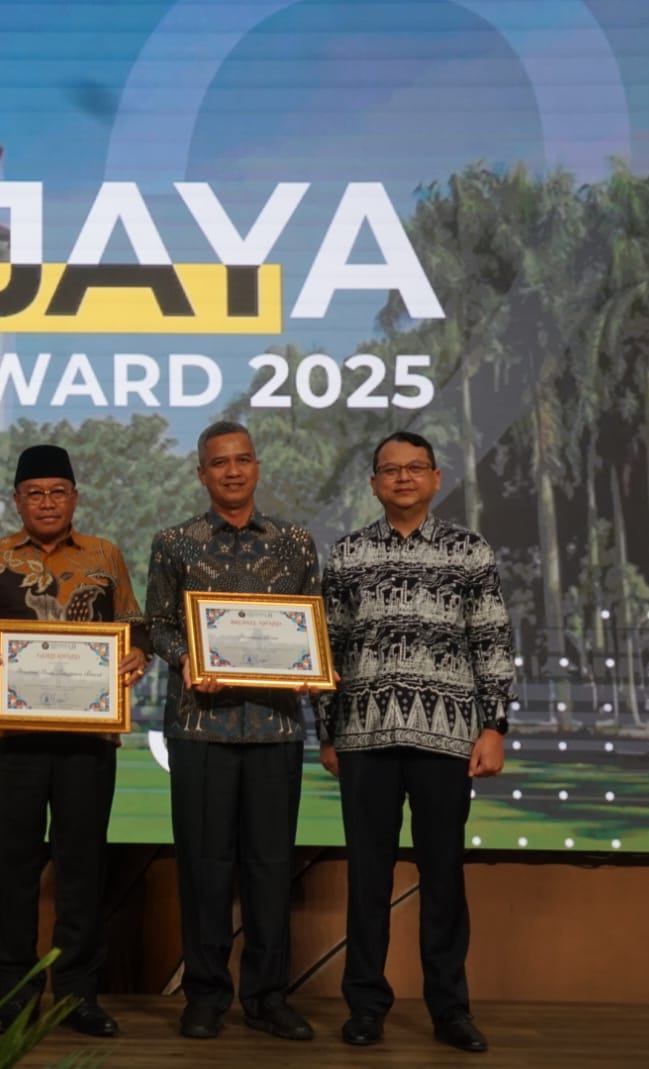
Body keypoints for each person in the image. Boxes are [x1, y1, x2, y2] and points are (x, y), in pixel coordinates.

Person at [317, 430, 513, 1054]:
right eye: (390, 469)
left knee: (444, 877)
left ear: (435, 478)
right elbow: (328, 649)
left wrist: (494, 726)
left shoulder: (469, 551)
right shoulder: (347, 554)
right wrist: (327, 731)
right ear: (374, 483)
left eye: (415, 467)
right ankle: (365, 1006)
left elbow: (491, 640)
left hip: (447, 739)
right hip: (363, 738)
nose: (403, 477)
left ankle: (450, 1009)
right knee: (367, 879)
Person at [0, 444, 149, 1038]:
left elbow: (133, 626)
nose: (46, 502)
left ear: (74, 497)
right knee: (11, 868)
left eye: (57, 492)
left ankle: (77, 994)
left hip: (88, 738)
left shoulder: (105, 555)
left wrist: (137, 654)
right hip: (11, 736)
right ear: (17, 500)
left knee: (82, 868)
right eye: (34, 493)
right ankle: (15, 995)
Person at [144, 419, 319, 1042]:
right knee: (203, 869)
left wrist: (311, 671)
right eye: (219, 462)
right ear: (202, 473)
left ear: (257, 467)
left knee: (271, 869)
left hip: (275, 729)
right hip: (199, 729)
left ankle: (268, 998)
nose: (233, 470)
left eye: (242, 459)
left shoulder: (295, 543)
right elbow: (157, 624)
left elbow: (313, 626)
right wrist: (186, 657)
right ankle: (206, 996)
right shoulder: (174, 543)